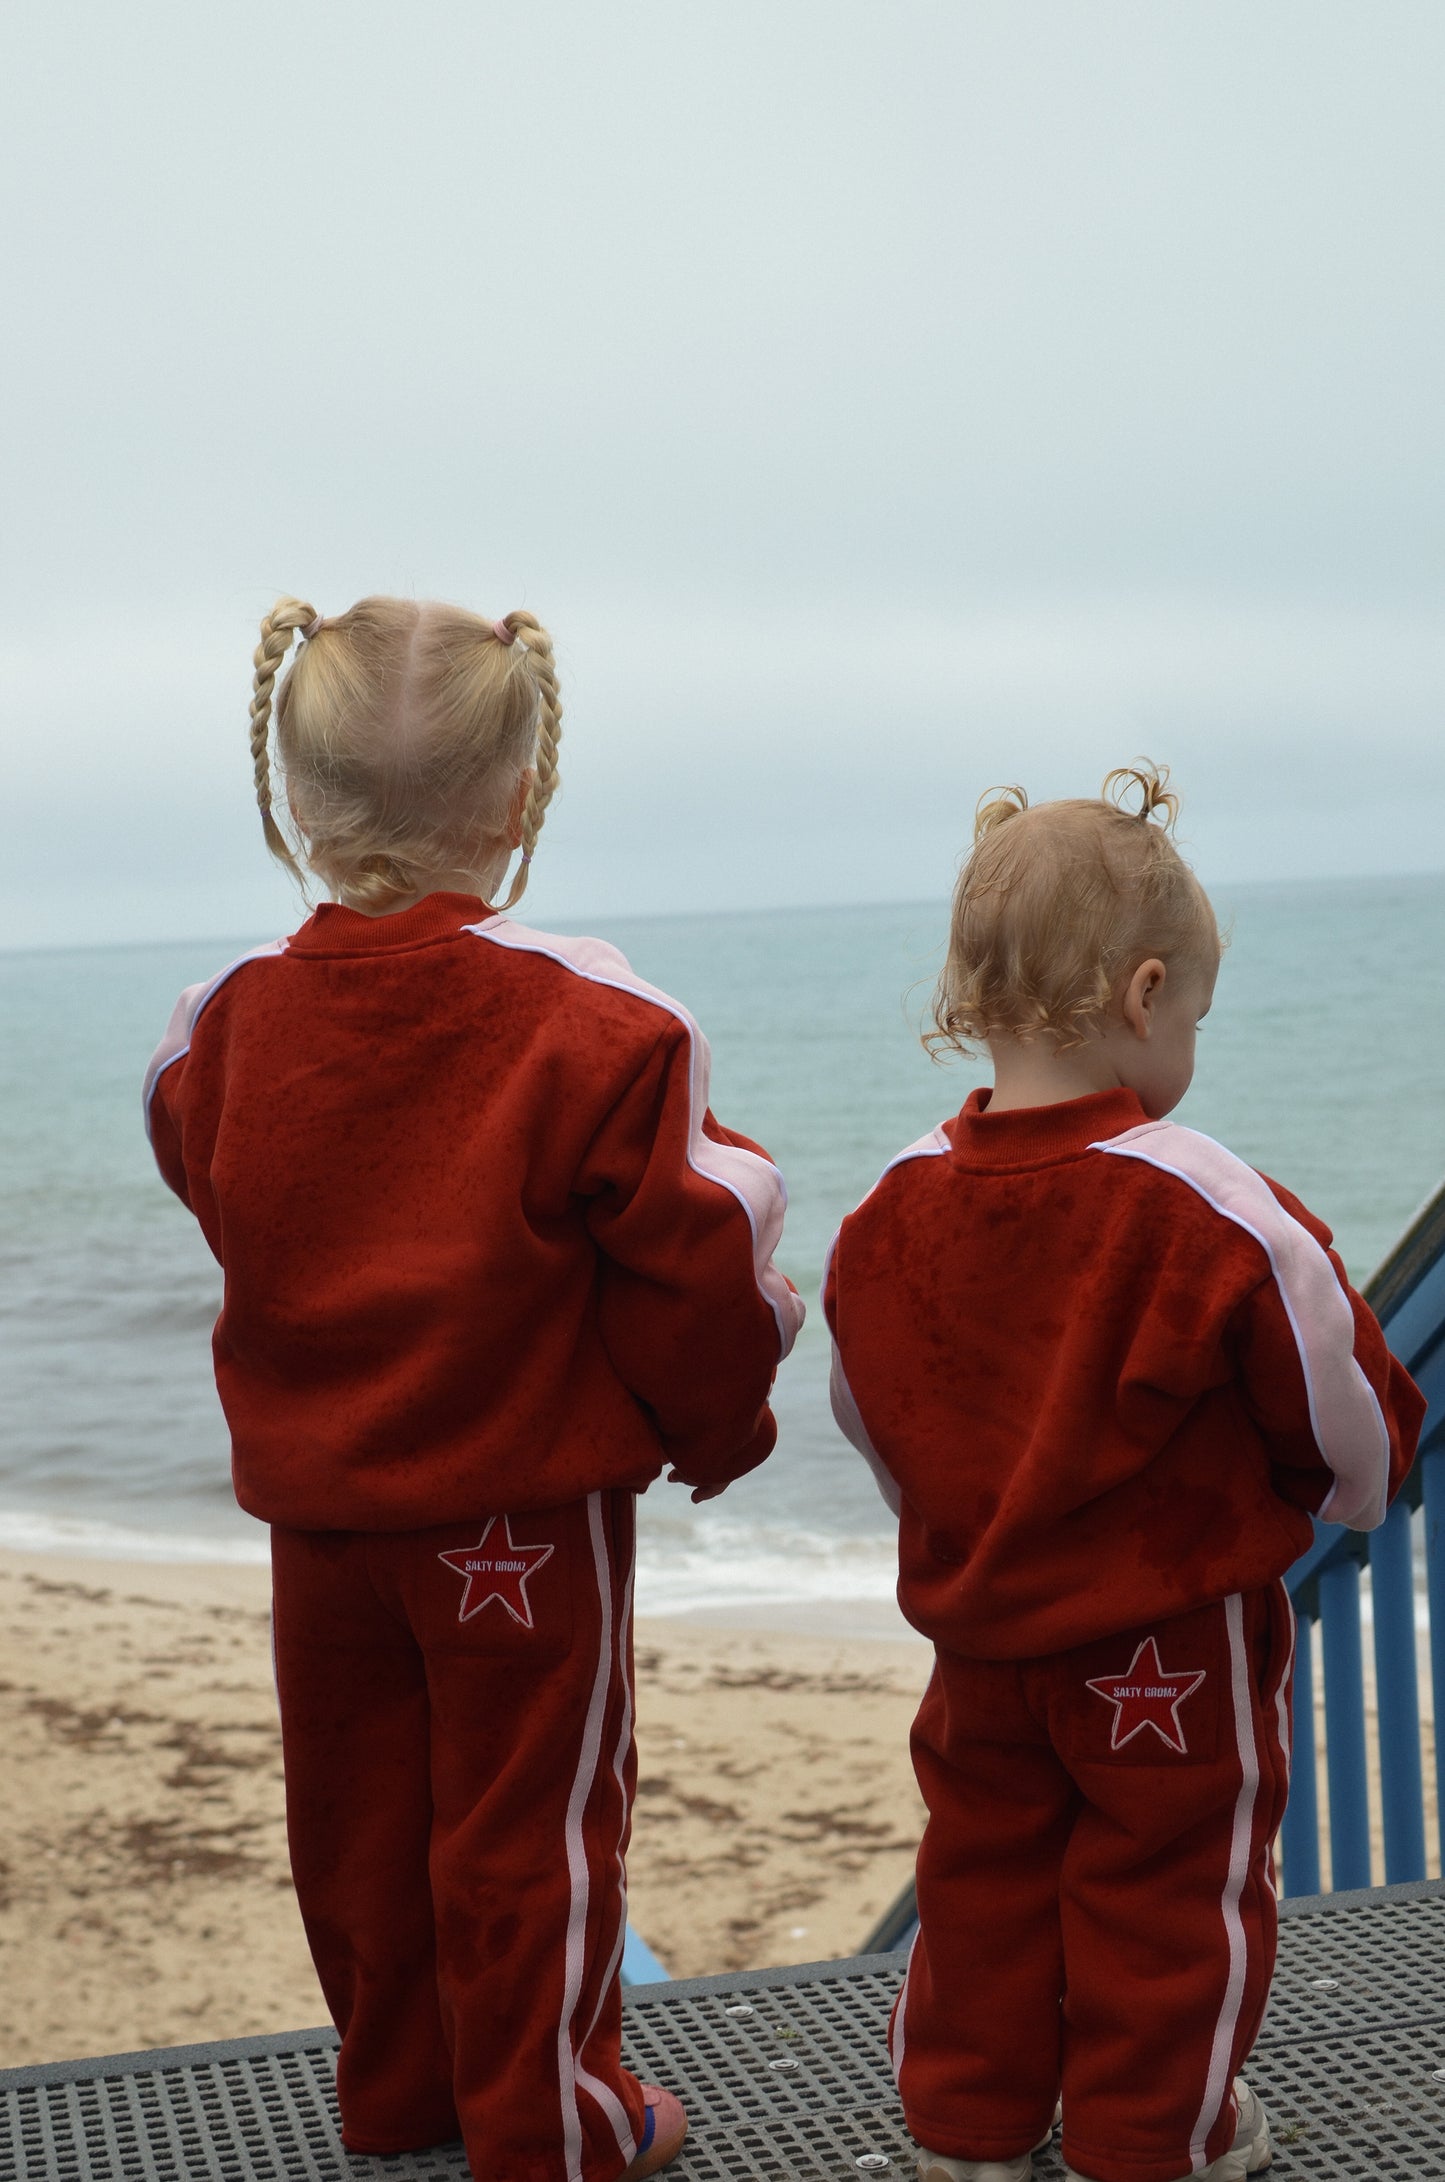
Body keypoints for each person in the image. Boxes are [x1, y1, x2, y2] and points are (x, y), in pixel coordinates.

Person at [144, 594, 804, 2182]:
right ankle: (556, 2128)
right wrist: (719, 1421)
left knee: (358, 1828)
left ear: (295, 802)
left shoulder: (222, 1021)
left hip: (323, 1519)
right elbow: (706, 1245)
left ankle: (399, 2101)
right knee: (530, 1830)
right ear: (520, 802)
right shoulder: (596, 1019)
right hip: (519, 1519)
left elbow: (203, 1169)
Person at [824, 765, 1423, 2182]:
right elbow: (1331, 1384)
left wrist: (960, 1524)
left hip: (981, 1635)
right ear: (1145, 994)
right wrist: (1351, 1494)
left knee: (982, 1868)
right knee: (1167, 1884)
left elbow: (868, 1407)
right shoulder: (1203, 1198)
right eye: (1195, 1015)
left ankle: (968, 2130)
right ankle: (1157, 2136)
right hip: (1171, 1640)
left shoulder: (890, 1205)